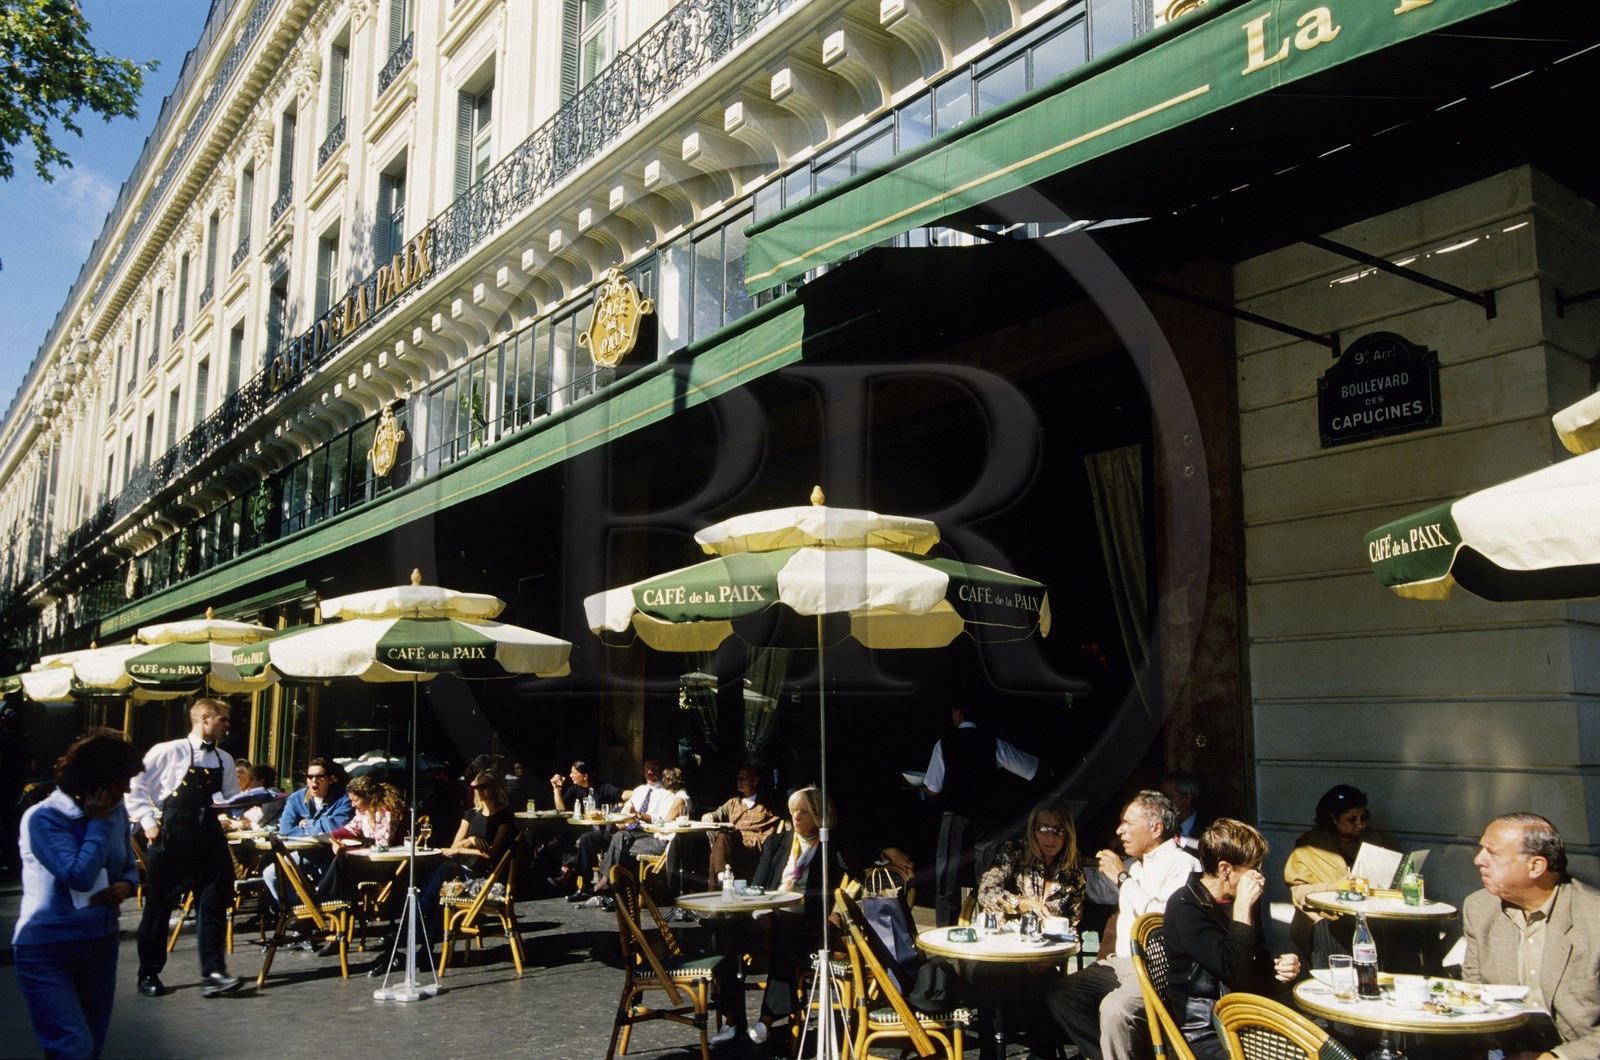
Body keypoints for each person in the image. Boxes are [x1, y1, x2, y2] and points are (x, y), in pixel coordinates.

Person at [13, 728, 142, 1058]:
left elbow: (129, 864)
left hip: (100, 943)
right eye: (121, 780)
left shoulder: (116, 812)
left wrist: (127, 885)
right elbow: (78, 875)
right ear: (97, 780)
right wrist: (97, 824)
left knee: (92, 1045)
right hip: (48, 948)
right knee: (73, 1047)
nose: (128, 788)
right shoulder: (43, 819)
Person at [1049, 790, 1201, 1060]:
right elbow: (1097, 890)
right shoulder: (1135, 865)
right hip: (1121, 963)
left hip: (1160, 966)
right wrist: (1059, 863)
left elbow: (1159, 921)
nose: (1119, 830)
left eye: (1128, 823)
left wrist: (1122, 877)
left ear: (1156, 828)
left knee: (1115, 1009)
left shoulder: (1184, 864)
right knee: (1063, 995)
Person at [124, 697, 245, 998]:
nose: (228, 725)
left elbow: (229, 798)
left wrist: (244, 810)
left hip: (208, 832)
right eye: (223, 720)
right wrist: (148, 821)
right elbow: (135, 786)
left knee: (214, 901)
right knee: (159, 905)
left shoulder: (225, 759)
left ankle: (214, 973)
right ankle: (148, 972)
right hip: (174, 832)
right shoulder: (168, 751)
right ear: (205, 718)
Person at [1463, 813, 1600, 1060]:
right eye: (1481, 849)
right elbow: (1473, 996)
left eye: (1493, 854)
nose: (1478, 860)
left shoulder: (1594, 918)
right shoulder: (1479, 908)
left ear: (1536, 866)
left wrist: (1557, 1058)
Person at [1164, 819, 1300, 1060]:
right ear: (1226, 869)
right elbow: (1233, 970)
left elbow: (1249, 970)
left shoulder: (1238, 902)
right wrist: (1244, 907)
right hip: (1202, 1032)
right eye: (1254, 867)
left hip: (1240, 1019)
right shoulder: (1186, 907)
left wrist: (1279, 973)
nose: (1261, 876)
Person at [734, 786, 850, 1046]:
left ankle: (766, 1019)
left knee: (785, 934)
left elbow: (853, 878)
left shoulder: (830, 847)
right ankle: (732, 1020)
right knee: (725, 926)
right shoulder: (776, 843)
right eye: (793, 812)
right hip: (769, 913)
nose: (795, 817)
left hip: (806, 921)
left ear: (820, 816)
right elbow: (757, 887)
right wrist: (760, 912)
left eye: (803, 813)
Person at [973, 795, 1086, 1057]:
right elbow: (986, 892)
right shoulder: (1014, 852)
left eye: (1058, 830)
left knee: (1047, 989)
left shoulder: (1073, 873)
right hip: (1004, 956)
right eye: (1043, 828)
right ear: (1032, 829)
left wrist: (1051, 958)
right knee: (984, 974)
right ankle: (990, 1054)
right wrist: (1022, 903)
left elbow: (1074, 927)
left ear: (1067, 833)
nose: (1050, 837)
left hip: (1043, 960)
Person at [379, 770, 515, 976]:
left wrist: (462, 849)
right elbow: (454, 846)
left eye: (485, 786)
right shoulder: (470, 814)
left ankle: (407, 929)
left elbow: (492, 854)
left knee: (442, 870)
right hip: (462, 871)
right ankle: (426, 949)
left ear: (496, 788)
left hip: (483, 878)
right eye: (477, 787)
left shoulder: (504, 817)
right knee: (439, 889)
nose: (481, 791)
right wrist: (469, 842)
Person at [925, 703, 1040, 925]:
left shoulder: (944, 743)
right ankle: (987, 931)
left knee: (947, 882)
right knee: (988, 879)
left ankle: (945, 942)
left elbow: (932, 788)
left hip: (954, 817)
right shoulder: (993, 743)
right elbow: (1030, 769)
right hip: (986, 819)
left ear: (957, 713)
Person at [1283, 784, 1381, 959]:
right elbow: (1298, 892)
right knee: (1332, 933)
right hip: (1322, 919)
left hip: (1367, 917)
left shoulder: (1374, 840)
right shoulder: (1310, 845)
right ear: (1333, 818)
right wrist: (1335, 886)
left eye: (1363, 818)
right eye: (1352, 819)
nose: (1359, 825)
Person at [584, 765, 690, 906]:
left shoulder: (679, 798)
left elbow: (664, 822)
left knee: (620, 844)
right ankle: (611, 884)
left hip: (662, 841)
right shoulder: (672, 795)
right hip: (653, 834)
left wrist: (641, 817)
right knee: (619, 838)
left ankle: (611, 886)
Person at [570, 758, 663, 902]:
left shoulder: (665, 793)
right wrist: (606, 815)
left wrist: (638, 816)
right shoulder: (639, 791)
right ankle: (584, 886)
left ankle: (610, 885)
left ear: (661, 771)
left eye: (654, 769)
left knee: (619, 837)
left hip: (644, 833)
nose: (650, 772)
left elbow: (661, 818)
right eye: (647, 768)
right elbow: (624, 812)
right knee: (587, 838)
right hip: (624, 829)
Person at [263, 757, 353, 902]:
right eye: (310, 777)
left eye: (320, 777)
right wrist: (319, 826)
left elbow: (335, 827)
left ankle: (321, 912)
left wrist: (306, 824)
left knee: (329, 886)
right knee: (271, 873)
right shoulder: (296, 798)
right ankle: (298, 911)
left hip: (331, 853)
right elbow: (286, 829)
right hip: (305, 853)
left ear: (331, 779)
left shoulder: (343, 799)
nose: (314, 781)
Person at [704, 764, 783, 881]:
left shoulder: (767, 804)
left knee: (715, 855)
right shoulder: (733, 802)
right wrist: (709, 815)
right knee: (722, 837)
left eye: (743, 778)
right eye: (738, 778)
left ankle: (720, 884)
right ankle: (722, 877)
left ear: (755, 781)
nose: (738, 781)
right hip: (736, 844)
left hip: (754, 847)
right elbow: (716, 814)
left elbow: (783, 821)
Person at [1159, 771, 1204, 849]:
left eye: (1168, 798)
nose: (1163, 803)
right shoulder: (1160, 829)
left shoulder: (1206, 831)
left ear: (1187, 799)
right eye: (1161, 798)